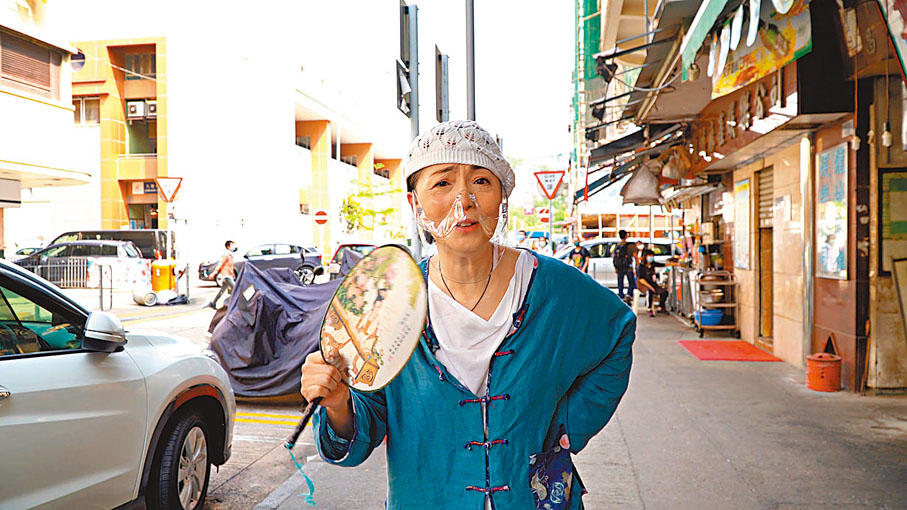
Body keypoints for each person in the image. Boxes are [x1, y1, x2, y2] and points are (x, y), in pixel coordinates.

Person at [300, 120, 635, 509]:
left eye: (481, 181)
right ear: (415, 203)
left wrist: (564, 430)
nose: (465, 200)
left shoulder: (556, 288)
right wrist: (339, 402)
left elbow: (617, 332)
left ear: (502, 197)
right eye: (442, 183)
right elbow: (363, 427)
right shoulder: (389, 301)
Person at [637, 249, 668, 317]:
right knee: (650, 291)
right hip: (644, 285)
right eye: (649, 256)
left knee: (664, 292)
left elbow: (663, 264)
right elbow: (641, 279)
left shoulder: (653, 264)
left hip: (653, 284)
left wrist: (675, 263)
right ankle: (649, 309)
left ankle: (660, 307)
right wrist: (650, 287)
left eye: (652, 256)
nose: (651, 257)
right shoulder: (641, 266)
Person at [208, 240, 237, 309]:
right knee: (236, 288)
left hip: (229, 276)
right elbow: (220, 264)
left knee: (222, 291)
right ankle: (235, 305)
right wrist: (214, 273)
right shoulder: (226, 255)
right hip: (226, 276)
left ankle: (213, 303)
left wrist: (232, 274)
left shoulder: (231, 255)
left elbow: (231, 266)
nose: (234, 246)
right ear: (228, 246)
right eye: (232, 245)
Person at [611, 230, 637, 302]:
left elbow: (614, 257)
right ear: (626, 236)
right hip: (628, 266)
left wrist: (615, 267)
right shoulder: (630, 245)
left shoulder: (617, 246)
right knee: (631, 282)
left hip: (619, 266)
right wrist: (637, 265)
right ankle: (629, 295)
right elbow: (635, 256)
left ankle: (621, 295)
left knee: (620, 282)